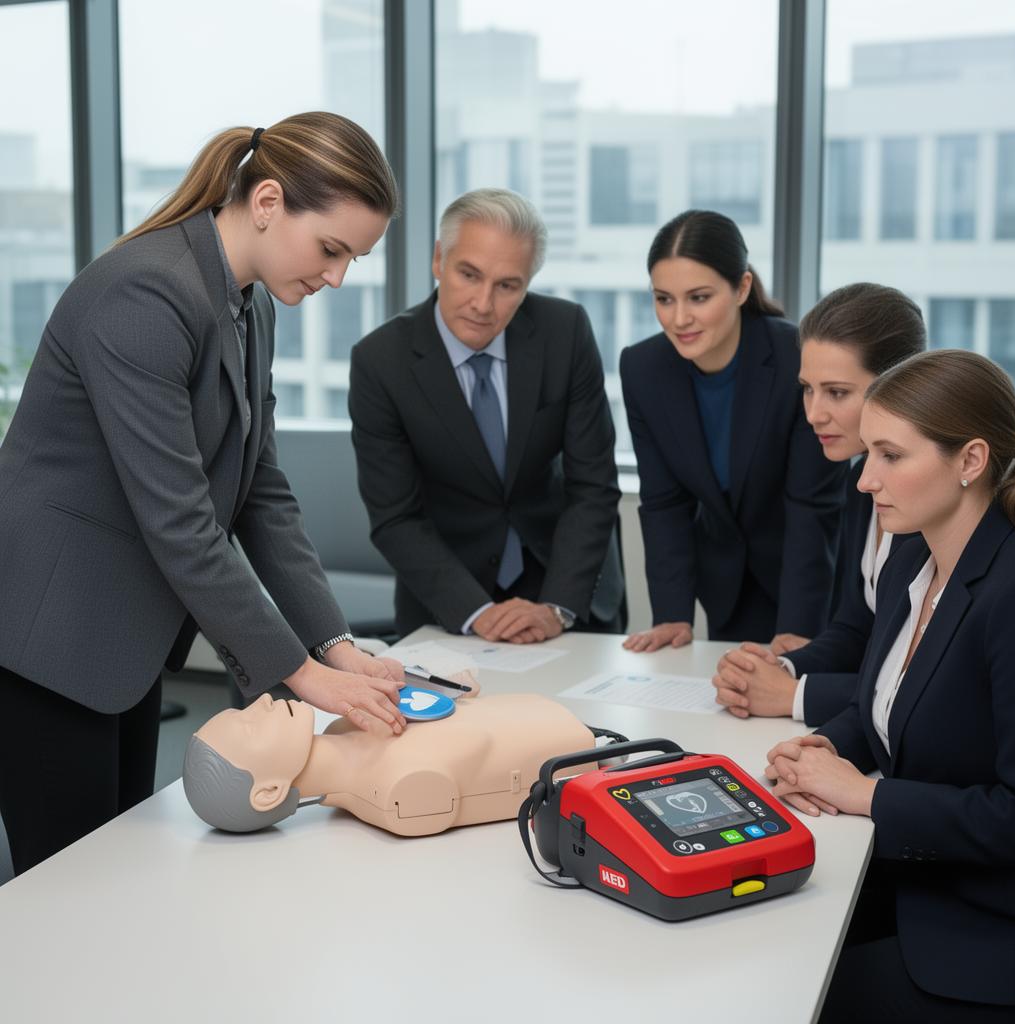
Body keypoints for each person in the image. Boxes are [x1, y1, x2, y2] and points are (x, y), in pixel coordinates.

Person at [0, 112, 409, 876]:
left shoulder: (248, 300)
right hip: (46, 634)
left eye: (351, 258)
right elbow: (182, 522)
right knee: (65, 891)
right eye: (331, 249)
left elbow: (262, 491)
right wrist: (305, 675)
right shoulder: (147, 293)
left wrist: (335, 645)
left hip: (121, 631)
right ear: (266, 202)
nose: (336, 277)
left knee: (118, 868)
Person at [764, 349, 1015, 1019]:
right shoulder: (914, 551)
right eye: (867, 455)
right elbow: (877, 705)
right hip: (906, 876)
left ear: (970, 461)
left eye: (890, 456)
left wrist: (866, 795)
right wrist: (821, 747)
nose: (864, 481)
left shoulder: (1013, 591)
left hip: (986, 924)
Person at [349, 188, 624, 643]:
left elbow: (592, 487)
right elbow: (396, 516)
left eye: (507, 285)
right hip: (450, 601)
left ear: (527, 284)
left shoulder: (565, 332)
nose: (482, 303)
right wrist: (476, 611)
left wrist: (557, 607)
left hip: (566, 591)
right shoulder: (381, 361)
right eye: (469, 274)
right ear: (440, 259)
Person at [620, 209, 845, 650]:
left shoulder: (795, 356)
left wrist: (799, 626)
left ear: (742, 287)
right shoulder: (643, 368)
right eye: (664, 299)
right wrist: (672, 615)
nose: (679, 318)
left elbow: (812, 505)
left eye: (699, 298)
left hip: (812, 583)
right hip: (728, 587)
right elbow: (664, 502)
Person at [712, 283, 926, 723]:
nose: (813, 413)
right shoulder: (857, 485)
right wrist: (782, 668)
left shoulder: (930, 498)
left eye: (837, 392)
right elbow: (855, 629)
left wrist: (794, 696)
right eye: (807, 389)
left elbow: (921, 680)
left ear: (899, 383)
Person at [184, 690, 595, 836]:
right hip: (569, 745)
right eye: (250, 727)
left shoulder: (344, 727)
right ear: (269, 792)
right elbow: (473, 745)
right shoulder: (396, 790)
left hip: (533, 712)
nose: (262, 702)